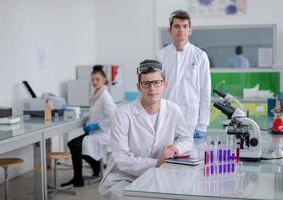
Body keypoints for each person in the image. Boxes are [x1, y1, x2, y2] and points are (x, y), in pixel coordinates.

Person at [99, 59, 194, 200]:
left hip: (159, 175)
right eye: (146, 83)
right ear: (139, 87)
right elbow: (122, 159)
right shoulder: (123, 114)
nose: (152, 88)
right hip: (123, 178)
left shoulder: (173, 109)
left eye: (157, 82)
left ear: (165, 85)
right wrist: (157, 162)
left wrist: (175, 148)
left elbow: (186, 139)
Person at [157, 10, 211, 138]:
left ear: (190, 30)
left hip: (190, 120)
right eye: (176, 26)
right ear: (170, 30)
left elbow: (205, 91)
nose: (181, 30)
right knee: (165, 156)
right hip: (165, 118)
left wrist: (203, 124)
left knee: (190, 156)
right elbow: (157, 89)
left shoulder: (200, 56)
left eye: (185, 26)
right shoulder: (161, 56)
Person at [61, 65, 117, 187]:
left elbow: (113, 117)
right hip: (96, 132)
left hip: (103, 134)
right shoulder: (97, 94)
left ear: (104, 80)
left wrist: (97, 125)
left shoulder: (105, 96)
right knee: (76, 145)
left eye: (97, 79)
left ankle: (78, 179)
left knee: (74, 144)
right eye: (92, 79)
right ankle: (95, 166)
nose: (94, 82)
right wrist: (90, 123)